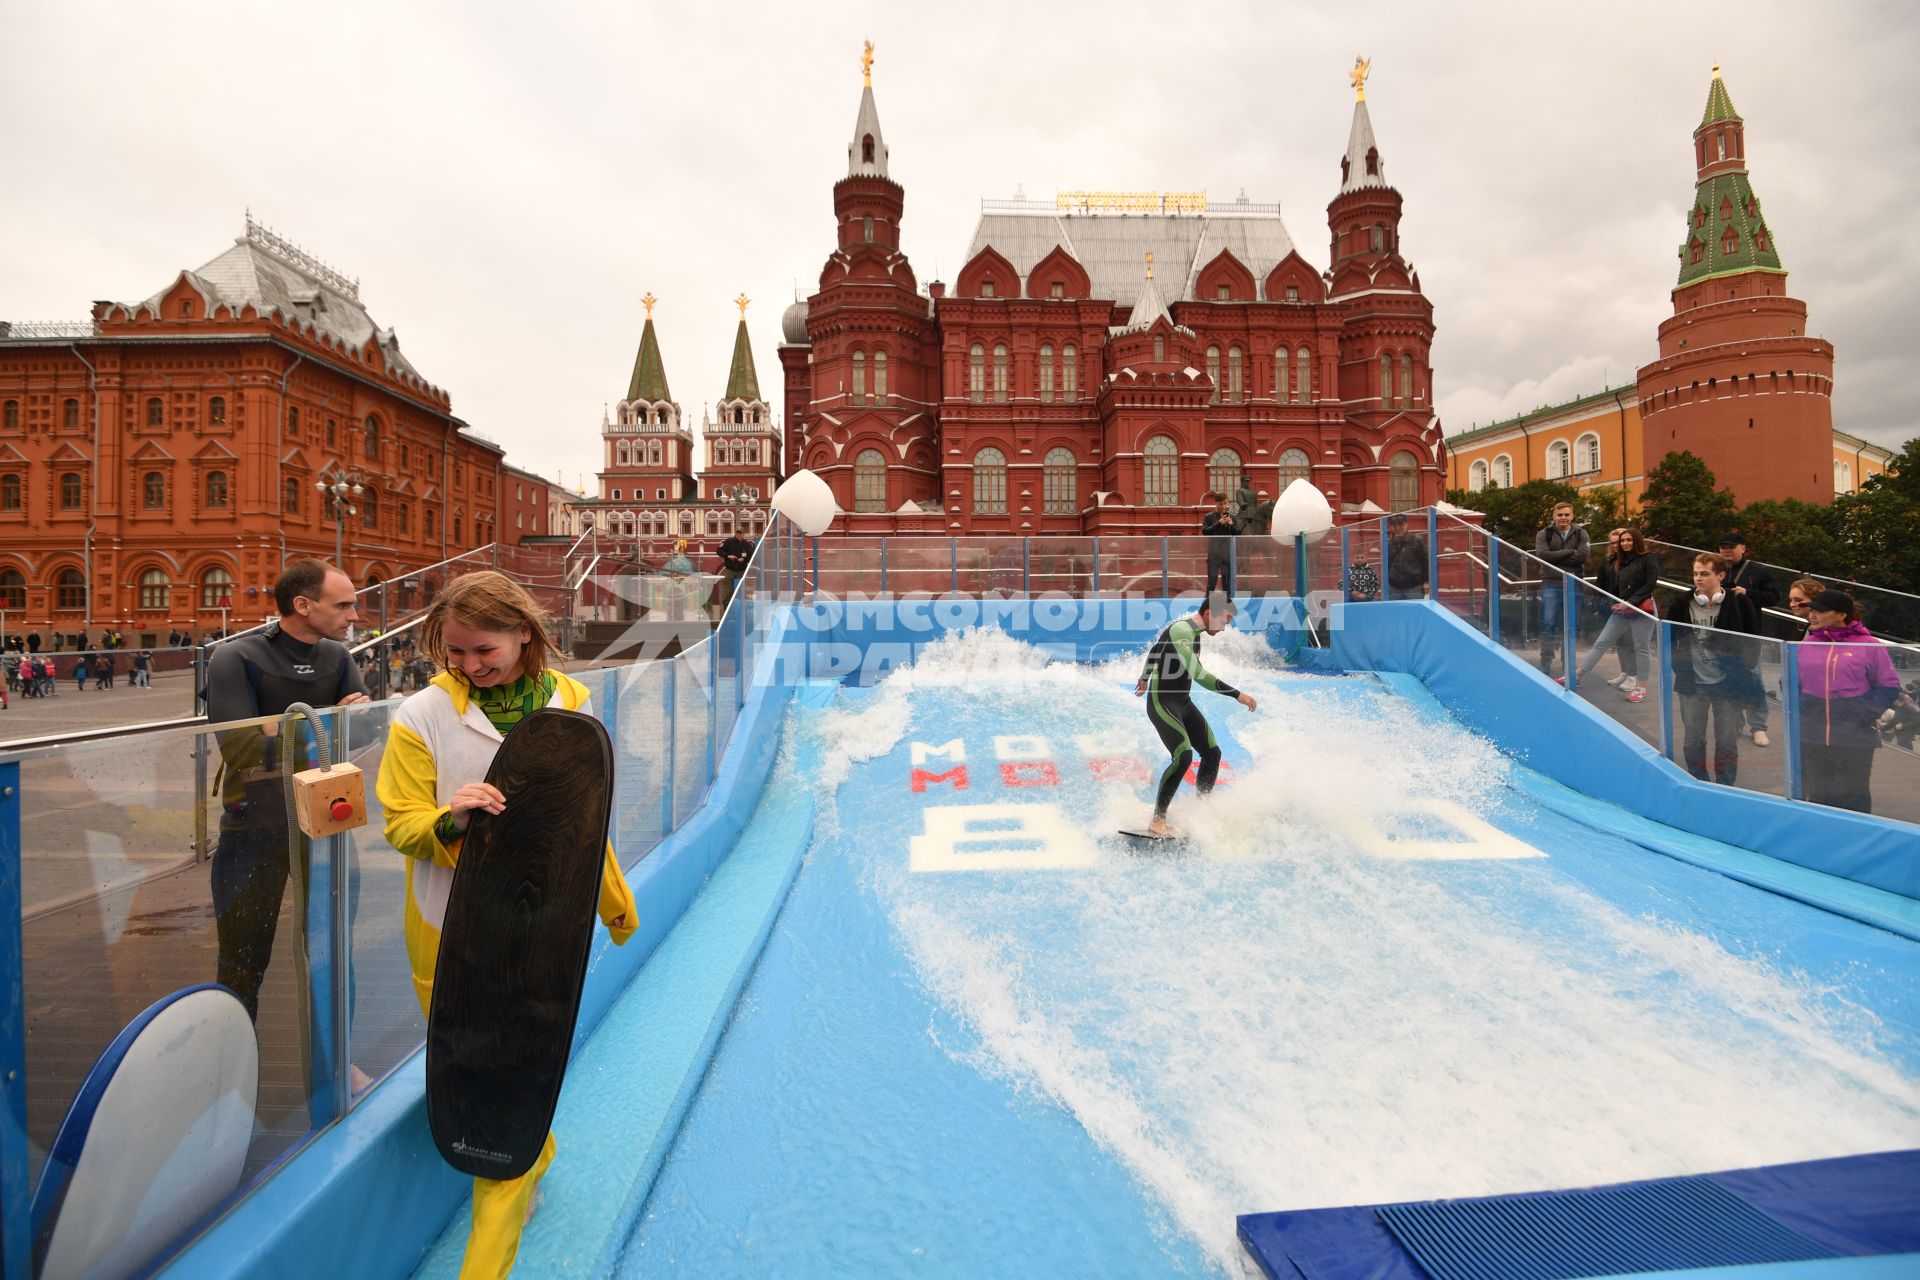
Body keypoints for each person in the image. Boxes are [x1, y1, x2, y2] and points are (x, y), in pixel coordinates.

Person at [376, 570, 635, 1280]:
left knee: (504, 1096)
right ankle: (533, 1154)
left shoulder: (570, 701)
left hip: (545, 933)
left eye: (481, 648)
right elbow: (399, 821)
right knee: (487, 1083)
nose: (468, 666)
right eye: (454, 652)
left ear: (526, 632)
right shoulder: (421, 716)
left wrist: (613, 902)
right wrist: (449, 819)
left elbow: (580, 827)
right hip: (451, 935)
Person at [203, 559, 369, 1023]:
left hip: (327, 824)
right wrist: (326, 722)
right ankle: (233, 1071)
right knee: (241, 961)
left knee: (334, 953)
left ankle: (339, 1068)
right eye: (343, 605)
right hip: (252, 831)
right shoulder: (236, 658)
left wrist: (284, 729)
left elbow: (365, 734)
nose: (355, 615)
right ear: (303, 604)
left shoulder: (337, 658)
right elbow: (243, 750)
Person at [1133, 593, 1258, 837]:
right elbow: (1200, 675)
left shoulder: (1193, 635)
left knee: (1212, 753)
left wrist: (1144, 676)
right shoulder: (1182, 631)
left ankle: (1201, 811)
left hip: (1182, 702)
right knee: (1183, 756)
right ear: (1210, 613)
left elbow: (1157, 650)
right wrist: (1237, 694)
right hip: (1162, 702)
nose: (1224, 628)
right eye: (1224, 621)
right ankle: (1157, 820)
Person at [1795, 589, 1901, 814]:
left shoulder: (1869, 645)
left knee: (1853, 795)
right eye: (1811, 610)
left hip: (1854, 738)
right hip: (1811, 735)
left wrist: (1864, 713)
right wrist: (1802, 708)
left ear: (1841, 614)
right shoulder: (1805, 644)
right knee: (1817, 795)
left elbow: (1889, 686)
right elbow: (1790, 682)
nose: (1812, 615)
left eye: (1820, 611)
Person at [1663, 553, 1761, 786]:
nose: (1698, 578)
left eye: (1704, 574)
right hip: (1692, 683)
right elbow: (1668, 640)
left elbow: (1753, 638)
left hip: (1728, 684)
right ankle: (1699, 783)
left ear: (1721, 576)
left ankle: (1726, 786)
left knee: (1726, 740)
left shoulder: (1739, 603)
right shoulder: (1681, 604)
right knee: (1693, 740)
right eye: (1695, 573)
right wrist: (1679, 666)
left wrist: (1743, 668)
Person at [1572, 527, 1659, 701]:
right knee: (1601, 643)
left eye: (1629, 540)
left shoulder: (1647, 559)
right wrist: (1613, 603)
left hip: (1641, 609)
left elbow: (1649, 584)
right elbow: (1614, 586)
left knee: (1641, 648)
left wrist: (1630, 603)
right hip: (1622, 609)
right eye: (1623, 541)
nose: (1625, 544)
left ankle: (1640, 688)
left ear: (1637, 541)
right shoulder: (1620, 561)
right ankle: (1576, 676)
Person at [1719, 532, 1780, 744]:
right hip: (1722, 635)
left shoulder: (1758, 570)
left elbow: (1774, 597)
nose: (1727, 550)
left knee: (1754, 681)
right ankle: (1735, 722)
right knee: (1728, 681)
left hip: (1749, 633)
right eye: (1723, 547)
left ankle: (1758, 726)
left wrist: (1748, 592)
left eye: (1732, 547)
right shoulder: (1716, 568)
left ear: (1743, 548)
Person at [1533, 502, 1589, 676]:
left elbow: (1584, 557)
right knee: (1548, 624)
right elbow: (1543, 556)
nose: (1563, 518)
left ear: (1572, 516)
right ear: (1554, 516)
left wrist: (1557, 557)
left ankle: (1568, 663)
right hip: (1551, 583)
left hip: (1574, 584)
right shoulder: (1544, 533)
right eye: (1560, 515)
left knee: (1571, 625)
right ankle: (1546, 662)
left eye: (1566, 514)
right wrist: (1569, 552)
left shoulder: (1581, 533)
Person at [708, 529, 755, 623]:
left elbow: (752, 556)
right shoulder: (728, 542)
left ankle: (740, 610)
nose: (738, 535)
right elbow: (718, 550)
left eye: (740, 533)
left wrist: (744, 560)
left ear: (743, 534)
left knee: (740, 591)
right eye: (737, 533)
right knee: (728, 590)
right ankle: (727, 610)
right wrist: (728, 556)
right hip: (729, 570)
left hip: (741, 571)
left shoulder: (747, 545)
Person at [1202, 493, 1237, 599]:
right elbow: (1205, 531)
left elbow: (1237, 534)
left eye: (1225, 503)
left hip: (1227, 554)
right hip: (1214, 554)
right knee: (1212, 582)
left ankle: (1228, 606)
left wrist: (1232, 525)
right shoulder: (1208, 517)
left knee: (1227, 583)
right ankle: (1207, 606)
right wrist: (1219, 523)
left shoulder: (1232, 517)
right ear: (1216, 504)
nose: (1223, 506)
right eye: (1220, 504)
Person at [1386, 513, 1428, 597]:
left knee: (1413, 610)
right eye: (1394, 525)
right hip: (1393, 587)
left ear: (1406, 524)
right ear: (1391, 527)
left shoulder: (1417, 540)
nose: (1397, 528)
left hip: (1414, 586)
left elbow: (1427, 562)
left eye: (1401, 524)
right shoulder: (1388, 544)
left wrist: (1427, 581)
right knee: (1395, 610)